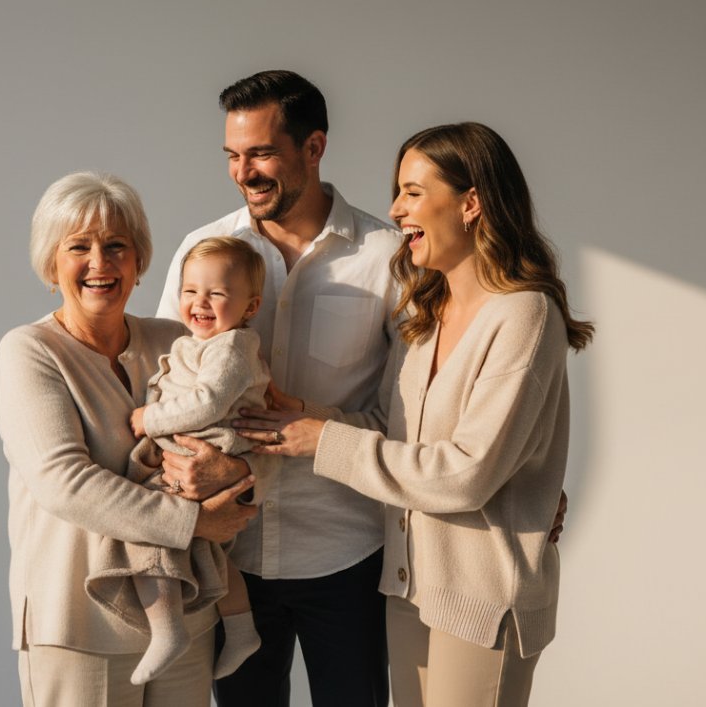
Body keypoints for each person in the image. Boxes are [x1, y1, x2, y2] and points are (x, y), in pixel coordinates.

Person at [235, 122, 594, 706]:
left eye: (412, 192)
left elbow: (466, 473)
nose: (395, 208)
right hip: (410, 590)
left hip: (482, 598)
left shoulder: (524, 316)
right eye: (398, 191)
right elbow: (390, 432)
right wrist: (307, 416)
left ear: (471, 203)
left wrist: (322, 441)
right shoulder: (428, 311)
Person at [155, 70, 401, 706]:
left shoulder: (388, 257)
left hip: (346, 551)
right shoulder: (202, 252)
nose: (244, 172)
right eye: (233, 156)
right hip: (230, 551)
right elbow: (165, 385)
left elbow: (406, 421)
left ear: (313, 147)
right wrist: (190, 474)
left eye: (261, 153)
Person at [0, 171, 258, 707]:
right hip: (77, 622)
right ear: (51, 264)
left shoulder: (178, 339)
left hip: (188, 612)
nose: (100, 263)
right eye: (79, 247)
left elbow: (240, 430)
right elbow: (65, 483)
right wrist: (196, 521)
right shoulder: (29, 351)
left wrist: (236, 476)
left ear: (139, 263)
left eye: (117, 246)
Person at [85, 236, 270, 685]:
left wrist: (152, 418)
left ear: (250, 306)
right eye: (190, 291)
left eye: (217, 293)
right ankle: (243, 630)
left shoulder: (231, 347)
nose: (199, 302)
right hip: (191, 451)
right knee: (206, 548)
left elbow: (207, 403)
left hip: (207, 450)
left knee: (149, 528)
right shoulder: (194, 341)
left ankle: (167, 631)